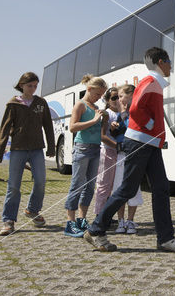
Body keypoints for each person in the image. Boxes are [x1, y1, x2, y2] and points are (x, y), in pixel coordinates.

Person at [84, 47, 175, 253]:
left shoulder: (154, 83)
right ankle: (96, 229)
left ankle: (165, 239)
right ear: (161, 62)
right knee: (128, 189)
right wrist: (151, 125)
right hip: (141, 142)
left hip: (149, 143)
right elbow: (135, 108)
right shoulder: (150, 82)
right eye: (168, 61)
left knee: (161, 189)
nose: (170, 66)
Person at [0, 72, 55, 236]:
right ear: (22, 85)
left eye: (35, 86)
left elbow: (48, 125)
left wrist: (51, 147)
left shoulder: (41, 103)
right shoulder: (13, 104)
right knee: (14, 185)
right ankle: (8, 220)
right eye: (30, 86)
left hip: (36, 149)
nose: (33, 89)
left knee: (41, 181)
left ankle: (32, 210)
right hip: (18, 149)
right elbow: (5, 128)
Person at [64, 74, 108, 238]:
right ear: (89, 89)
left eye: (102, 95)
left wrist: (104, 119)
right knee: (77, 184)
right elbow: (73, 127)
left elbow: (100, 130)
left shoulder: (95, 107)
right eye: (97, 94)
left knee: (90, 186)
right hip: (82, 149)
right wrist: (94, 119)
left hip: (95, 148)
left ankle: (82, 219)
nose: (99, 97)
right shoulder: (80, 105)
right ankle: (70, 222)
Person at [110, 84, 144, 234]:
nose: (119, 99)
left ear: (131, 95)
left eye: (121, 96)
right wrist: (113, 127)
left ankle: (130, 221)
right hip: (121, 154)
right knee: (119, 188)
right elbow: (118, 131)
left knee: (134, 188)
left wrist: (123, 114)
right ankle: (121, 221)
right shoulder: (120, 113)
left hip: (134, 154)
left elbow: (133, 126)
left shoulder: (137, 110)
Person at [93, 87, 122, 222]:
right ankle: (99, 216)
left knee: (114, 186)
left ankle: (108, 215)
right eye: (114, 98)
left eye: (119, 97)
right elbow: (103, 136)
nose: (117, 100)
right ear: (107, 100)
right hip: (108, 152)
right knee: (104, 185)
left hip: (120, 154)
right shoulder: (107, 114)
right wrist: (117, 145)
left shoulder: (124, 113)